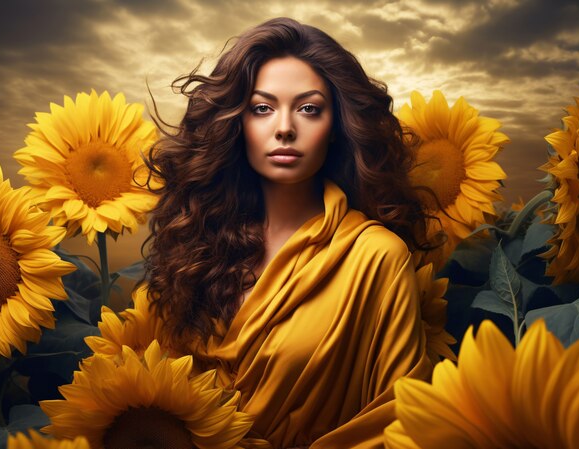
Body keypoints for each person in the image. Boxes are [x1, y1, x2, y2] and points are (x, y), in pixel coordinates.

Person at [145, 17, 434, 449]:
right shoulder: (198, 247)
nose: (284, 127)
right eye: (262, 108)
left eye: (308, 108)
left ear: (336, 128)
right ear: (237, 123)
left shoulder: (375, 256)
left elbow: (400, 420)